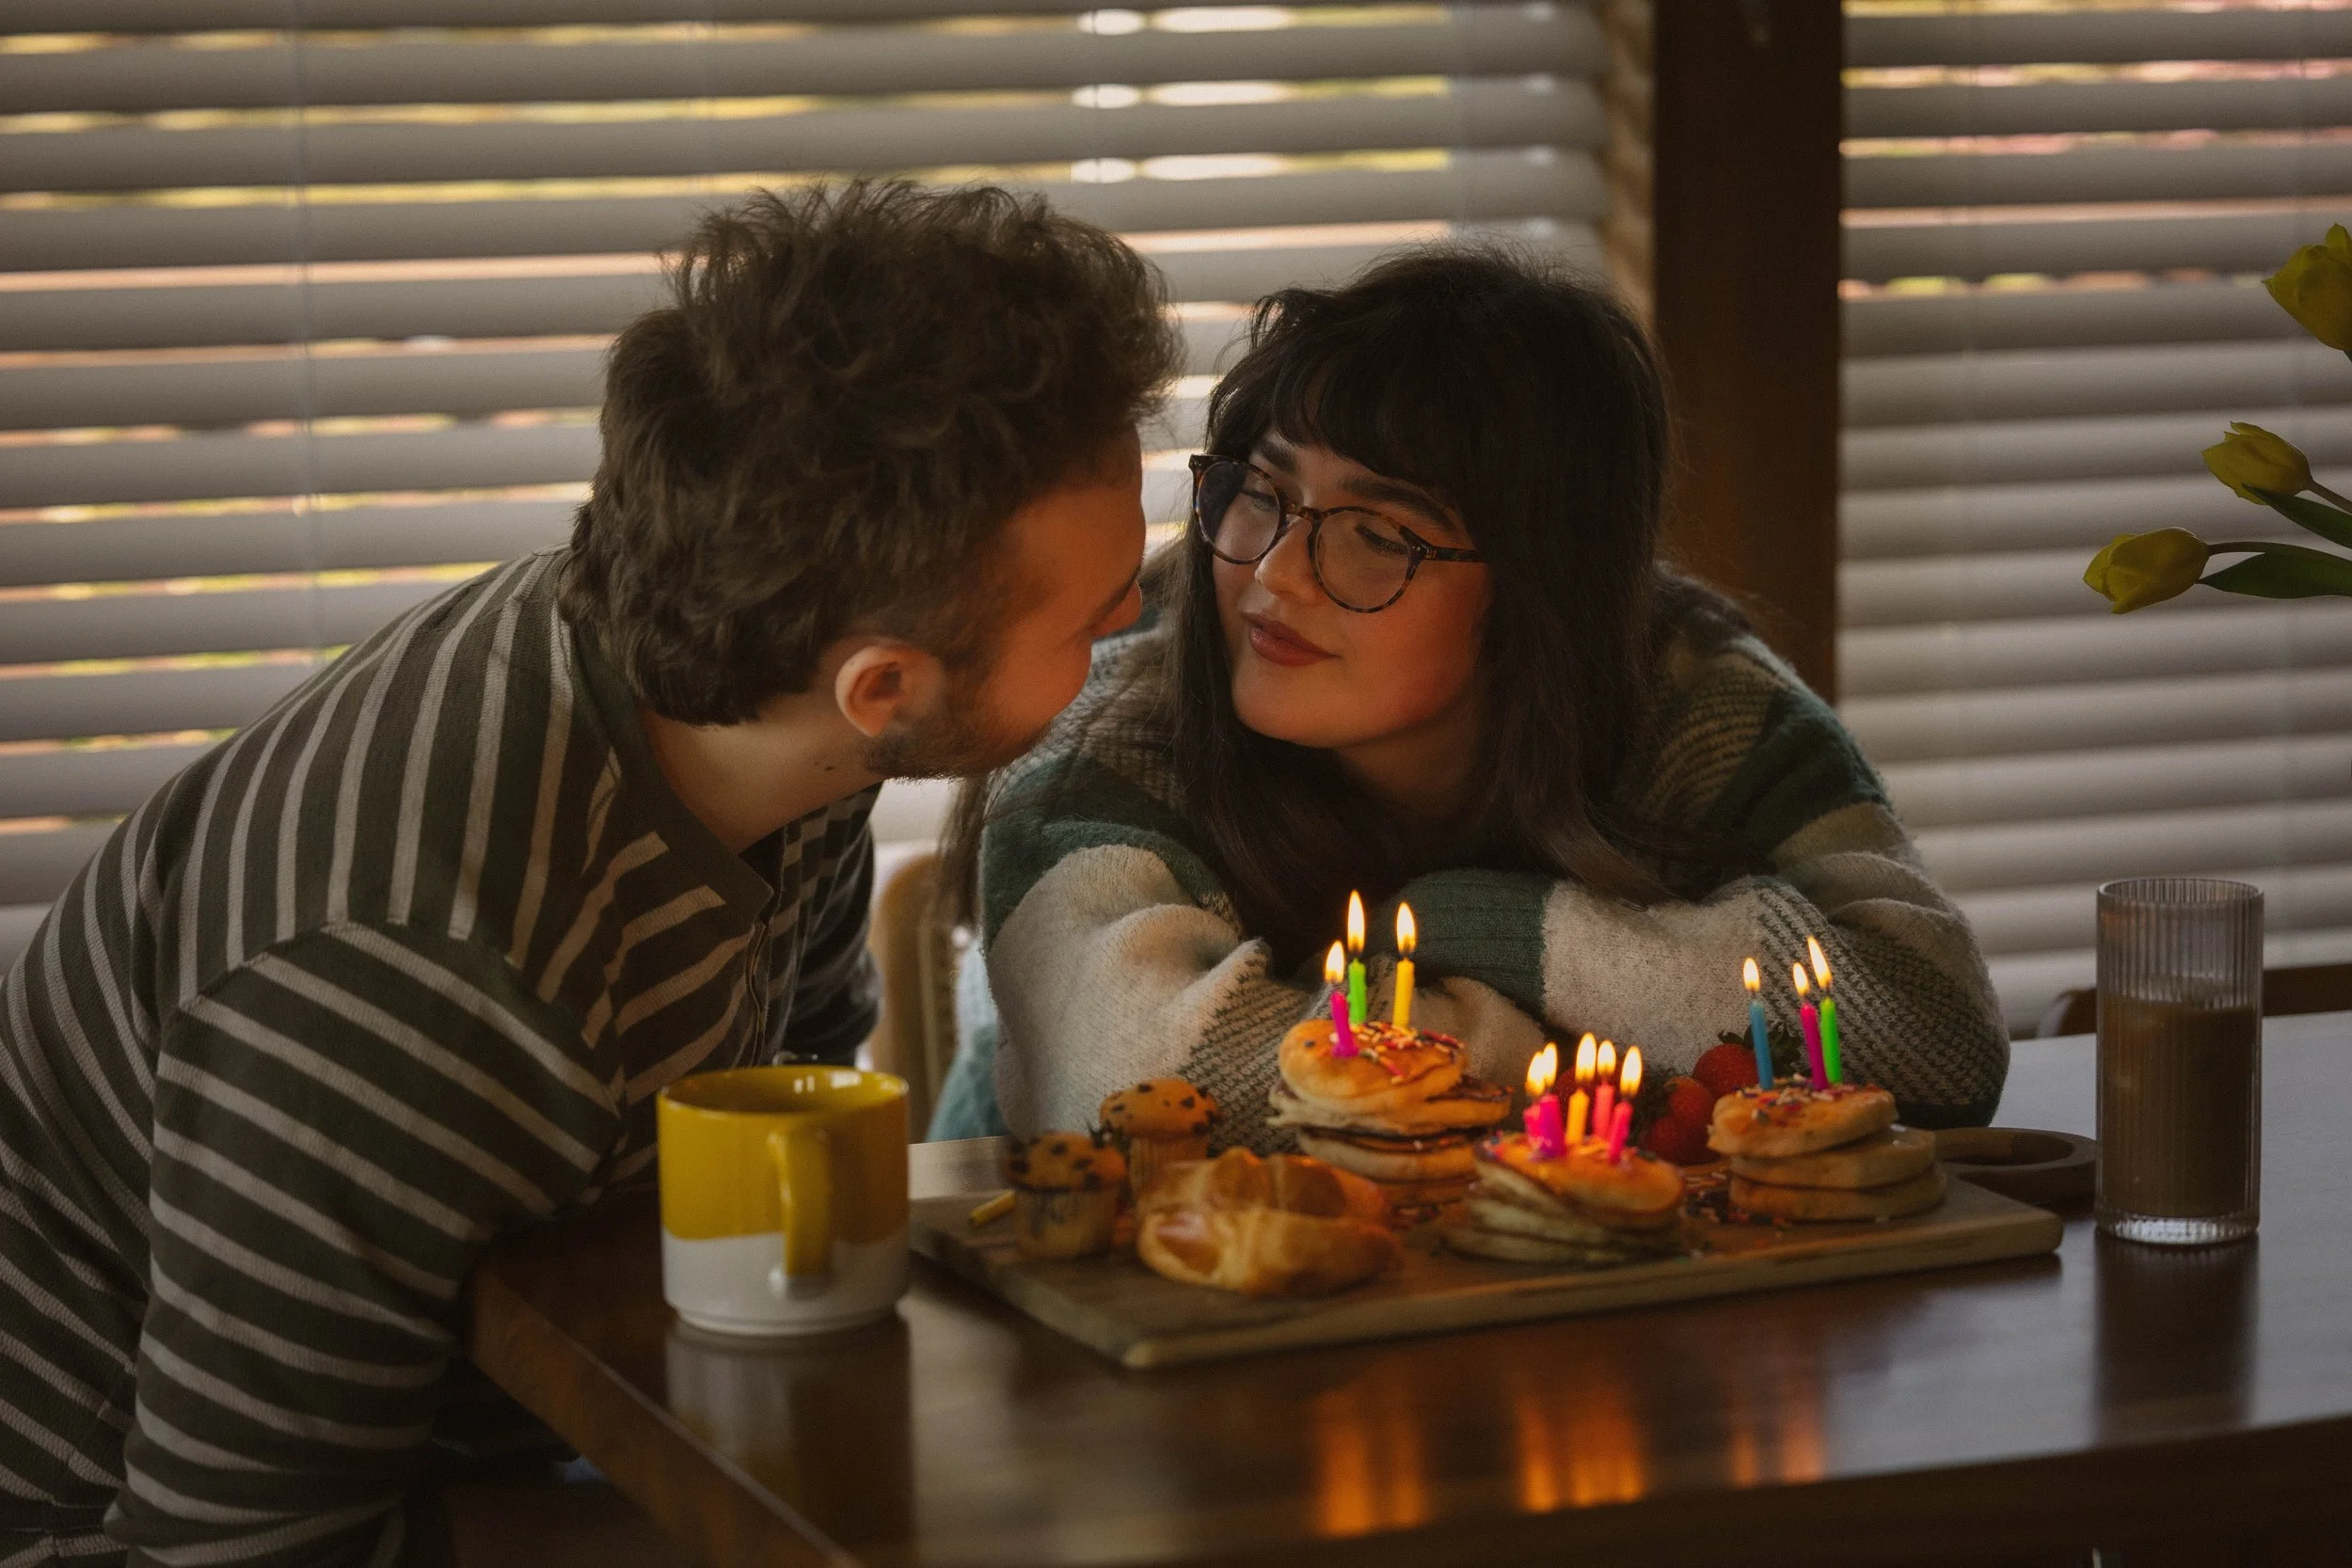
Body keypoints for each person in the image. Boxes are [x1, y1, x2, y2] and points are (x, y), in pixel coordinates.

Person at [0, 181, 1178, 1567]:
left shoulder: (767, 705)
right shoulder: (414, 966)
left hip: (522, 1434)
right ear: (886, 684)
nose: (1128, 634)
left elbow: (762, 1178)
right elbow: (249, 1545)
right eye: (1099, 619)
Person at [933, 245, 2008, 1148]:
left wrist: (1482, 927)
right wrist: (1630, 1060)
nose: (1273, 576)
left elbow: (1937, 1043)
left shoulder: (1690, 697)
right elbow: (1138, 1089)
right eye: (1263, 493)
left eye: (1375, 533)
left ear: (1542, 586)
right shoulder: (1113, 725)